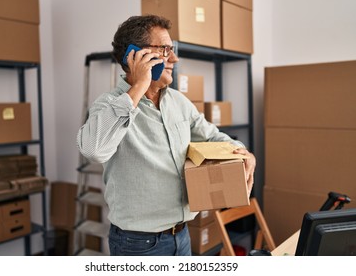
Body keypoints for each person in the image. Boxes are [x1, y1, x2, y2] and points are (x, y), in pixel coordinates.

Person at [76, 15, 256, 256]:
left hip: (181, 236)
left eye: (173, 49)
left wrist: (242, 151)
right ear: (135, 56)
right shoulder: (109, 105)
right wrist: (139, 86)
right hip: (138, 245)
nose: (174, 58)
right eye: (165, 50)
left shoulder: (178, 102)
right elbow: (93, 149)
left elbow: (212, 136)